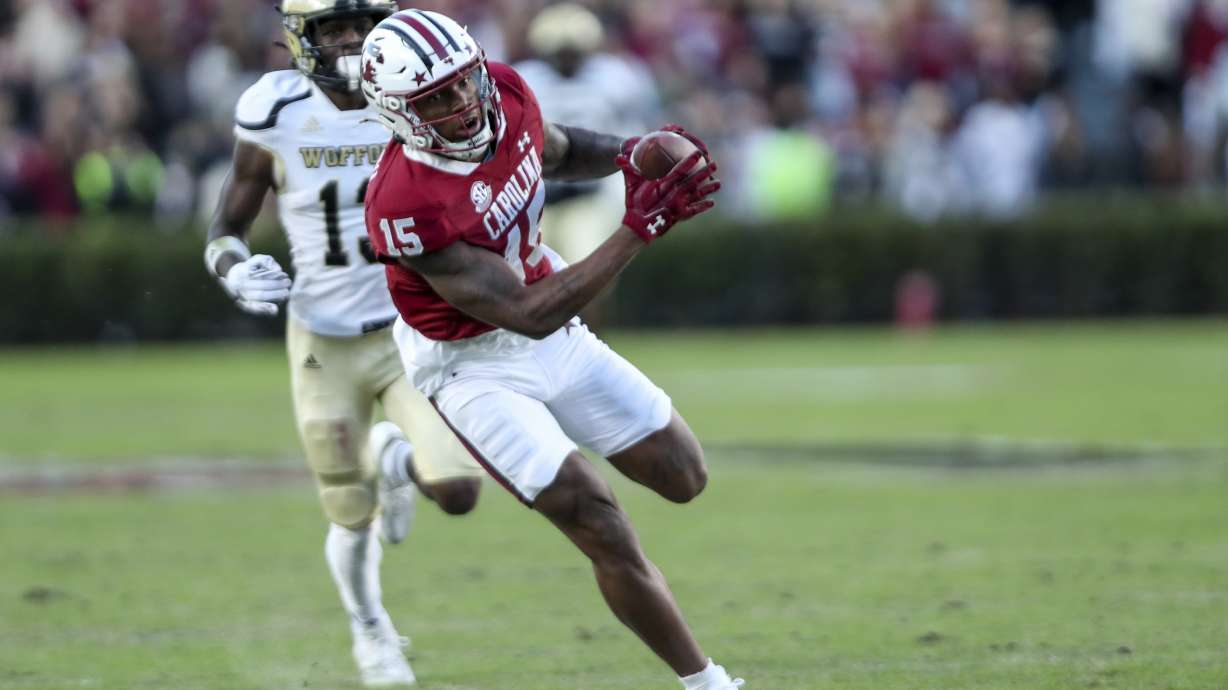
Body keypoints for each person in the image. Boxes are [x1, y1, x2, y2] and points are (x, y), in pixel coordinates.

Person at [359, 9, 744, 690]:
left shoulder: (503, 91)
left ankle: (398, 454)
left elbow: (557, 148)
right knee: (593, 515)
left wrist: (633, 152)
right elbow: (524, 315)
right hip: (470, 362)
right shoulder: (404, 201)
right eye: (436, 98)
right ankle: (707, 683)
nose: (462, 101)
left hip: (548, 312)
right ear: (399, 114)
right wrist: (641, 225)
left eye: (462, 82)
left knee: (684, 475)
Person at [202, 1, 485, 686]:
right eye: (336, 28)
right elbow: (225, 227)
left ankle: (393, 461)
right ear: (304, 39)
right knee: (347, 509)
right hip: (322, 343)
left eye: (364, 23)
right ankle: (371, 630)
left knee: (458, 488)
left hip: (409, 332)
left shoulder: (420, 96)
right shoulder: (274, 108)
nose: (354, 40)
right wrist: (237, 273)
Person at [513, 3, 660, 328]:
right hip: (538, 197)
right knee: (527, 276)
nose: (567, 58)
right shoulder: (526, 78)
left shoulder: (617, 77)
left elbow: (633, 133)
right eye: (560, 51)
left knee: (590, 273)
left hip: (589, 196)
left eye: (574, 51)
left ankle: (589, 339)